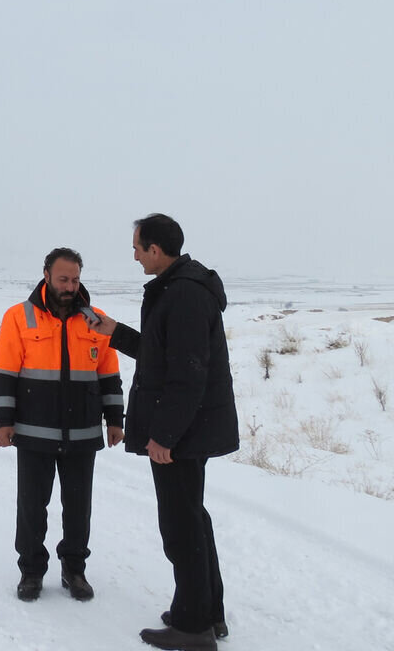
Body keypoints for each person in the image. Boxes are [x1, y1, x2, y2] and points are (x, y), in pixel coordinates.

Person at [92, 214, 238, 651]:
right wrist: (115, 333)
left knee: (181, 526)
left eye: (137, 247)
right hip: (192, 429)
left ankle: (193, 628)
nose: (134, 255)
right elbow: (162, 354)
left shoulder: (186, 295)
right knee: (192, 517)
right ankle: (206, 612)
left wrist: (165, 436)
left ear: (156, 249)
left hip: (184, 433)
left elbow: (188, 375)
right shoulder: (178, 289)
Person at [0, 247, 124, 603]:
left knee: (79, 508)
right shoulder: (19, 317)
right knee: (32, 506)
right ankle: (32, 572)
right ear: (47, 275)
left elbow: (109, 374)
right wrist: (4, 422)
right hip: (33, 432)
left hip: (82, 433)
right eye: (63, 278)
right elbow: (3, 374)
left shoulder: (97, 319)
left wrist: (115, 419)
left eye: (75, 279)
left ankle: (74, 570)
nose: (69, 286)